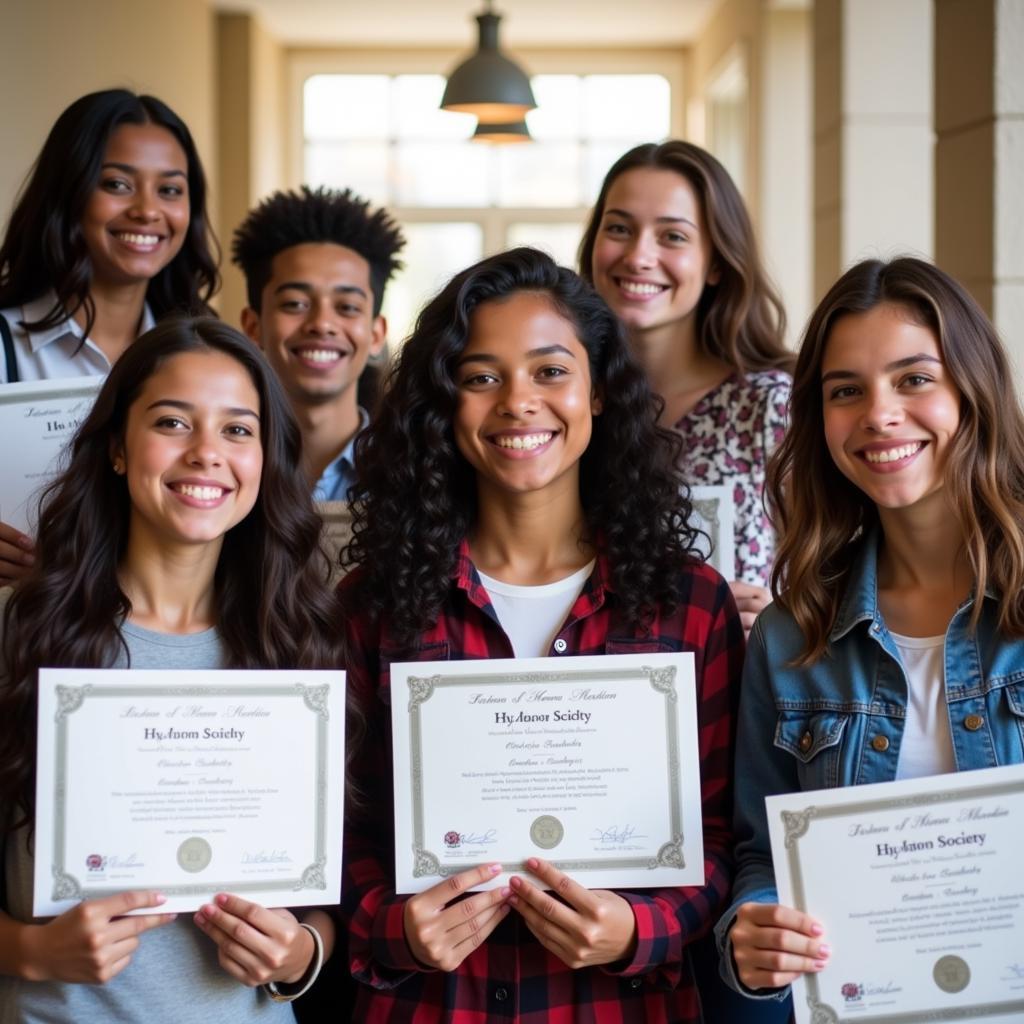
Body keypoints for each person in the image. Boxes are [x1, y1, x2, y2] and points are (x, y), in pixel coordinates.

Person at [339, 247, 742, 1022]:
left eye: (551, 371)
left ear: (599, 396)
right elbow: (342, 827)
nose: (518, 402)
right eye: (481, 376)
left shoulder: (690, 605)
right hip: (434, 1005)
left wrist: (642, 928)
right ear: (444, 405)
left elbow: (724, 836)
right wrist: (394, 927)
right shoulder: (371, 606)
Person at [0, 318, 342, 1022]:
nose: (206, 454)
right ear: (119, 449)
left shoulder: (299, 643)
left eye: (238, 430)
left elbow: (326, 901)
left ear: (265, 459)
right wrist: (30, 953)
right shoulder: (21, 630)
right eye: (172, 422)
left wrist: (299, 954)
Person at [716, 257, 1024, 1001]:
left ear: (972, 391)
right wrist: (753, 927)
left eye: (914, 379)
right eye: (845, 391)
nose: (879, 414)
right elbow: (763, 851)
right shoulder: (793, 635)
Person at [0, 88, 218, 584]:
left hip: (155, 643)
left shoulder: (203, 360)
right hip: (16, 637)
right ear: (68, 192)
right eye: (117, 184)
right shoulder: (3, 346)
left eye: (169, 190)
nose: (147, 211)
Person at [579, 140, 794, 633]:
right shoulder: (564, 403)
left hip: (739, 691)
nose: (638, 256)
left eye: (672, 236)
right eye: (618, 229)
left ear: (716, 262)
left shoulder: (769, 407)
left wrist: (785, 617)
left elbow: (838, 565)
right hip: (596, 692)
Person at [232, 185, 404, 502]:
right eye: (295, 304)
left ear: (376, 335)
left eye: (347, 307)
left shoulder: (412, 474)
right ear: (252, 327)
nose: (322, 324)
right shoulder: (221, 469)